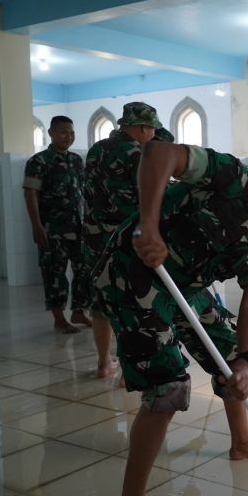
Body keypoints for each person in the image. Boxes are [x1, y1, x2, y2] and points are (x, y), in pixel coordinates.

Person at [94, 139, 248, 496]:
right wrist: (149, 224)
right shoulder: (234, 178)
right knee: (167, 388)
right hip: (133, 273)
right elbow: (158, 152)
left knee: (229, 354)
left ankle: (242, 441)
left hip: (185, 286)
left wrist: (245, 360)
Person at [83, 102, 175, 382]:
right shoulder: (137, 152)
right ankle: (127, 372)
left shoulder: (96, 149)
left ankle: (102, 364)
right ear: (145, 127)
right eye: (152, 129)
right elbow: (159, 192)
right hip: (126, 241)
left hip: (95, 239)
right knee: (130, 307)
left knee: (101, 303)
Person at [23, 115, 93, 333]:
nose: (68, 136)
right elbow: (31, 194)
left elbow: (83, 193)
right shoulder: (39, 161)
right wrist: (36, 225)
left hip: (78, 227)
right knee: (54, 273)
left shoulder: (76, 160)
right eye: (63, 132)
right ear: (51, 133)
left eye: (71, 132)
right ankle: (59, 318)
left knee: (85, 270)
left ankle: (79, 311)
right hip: (53, 229)